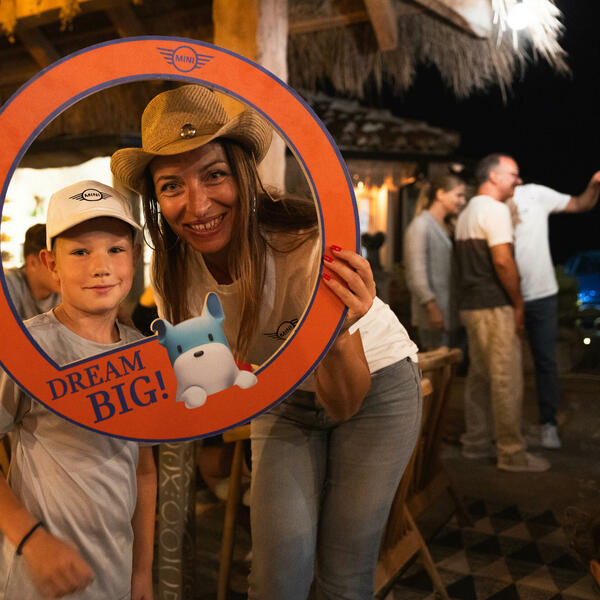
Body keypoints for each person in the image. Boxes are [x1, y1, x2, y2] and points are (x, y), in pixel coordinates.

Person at [111, 84, 422, 600]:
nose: (197, 205)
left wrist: (335, 333)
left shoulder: (304, 244)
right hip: (281, 394)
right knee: (277, 579)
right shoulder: (171, 271)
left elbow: (344, 404)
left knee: (343, 576)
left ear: (243, 174)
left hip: (375, 387)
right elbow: (198, 378)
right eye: (172, 185)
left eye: (214, 174)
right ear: (155, 199)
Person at [0, 180, 156, 599]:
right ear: (51, 264)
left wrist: (141, 572)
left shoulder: (144, 353)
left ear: (134, 257)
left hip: (114, 578)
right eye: (81, 252)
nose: (101, 267)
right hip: (37, 581)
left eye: (115, 249)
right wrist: (32, 540)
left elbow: (143, 470)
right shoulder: (25, 348)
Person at [454, 153, 549, 472]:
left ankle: (476, 442)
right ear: (493, 176)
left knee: (479, 377)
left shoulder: (468, 211)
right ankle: (511, 453)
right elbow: (503, 262)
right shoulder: (494, 210)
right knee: (507, 378)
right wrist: (518, 304)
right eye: (513, 174)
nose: (518, 181)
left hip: (471, 306)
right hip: (494, 306)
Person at [510, 171, 600, 449]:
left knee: (546, 361)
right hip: (508, 297)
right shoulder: (490, 203)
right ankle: (509, 428)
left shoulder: (534, 194)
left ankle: (547, 425)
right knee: (508, 364)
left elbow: (580, 204)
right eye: (509, 173)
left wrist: (593, 185)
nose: (516, 178)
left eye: (516, 173)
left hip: (542, 295)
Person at [404, 174, 466, 350]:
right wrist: (432, 307)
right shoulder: (420, 225)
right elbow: (415, 273)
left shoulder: (449, 225)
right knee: (437, 360)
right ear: (440, 194)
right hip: (433, 314)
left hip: (450, 311)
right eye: (458, 195)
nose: (462, 201)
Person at [4, 223, 61, 319]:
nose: (63, 270)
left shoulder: (68, 289)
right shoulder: (7, 283)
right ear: (32, 263)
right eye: (53, 262)